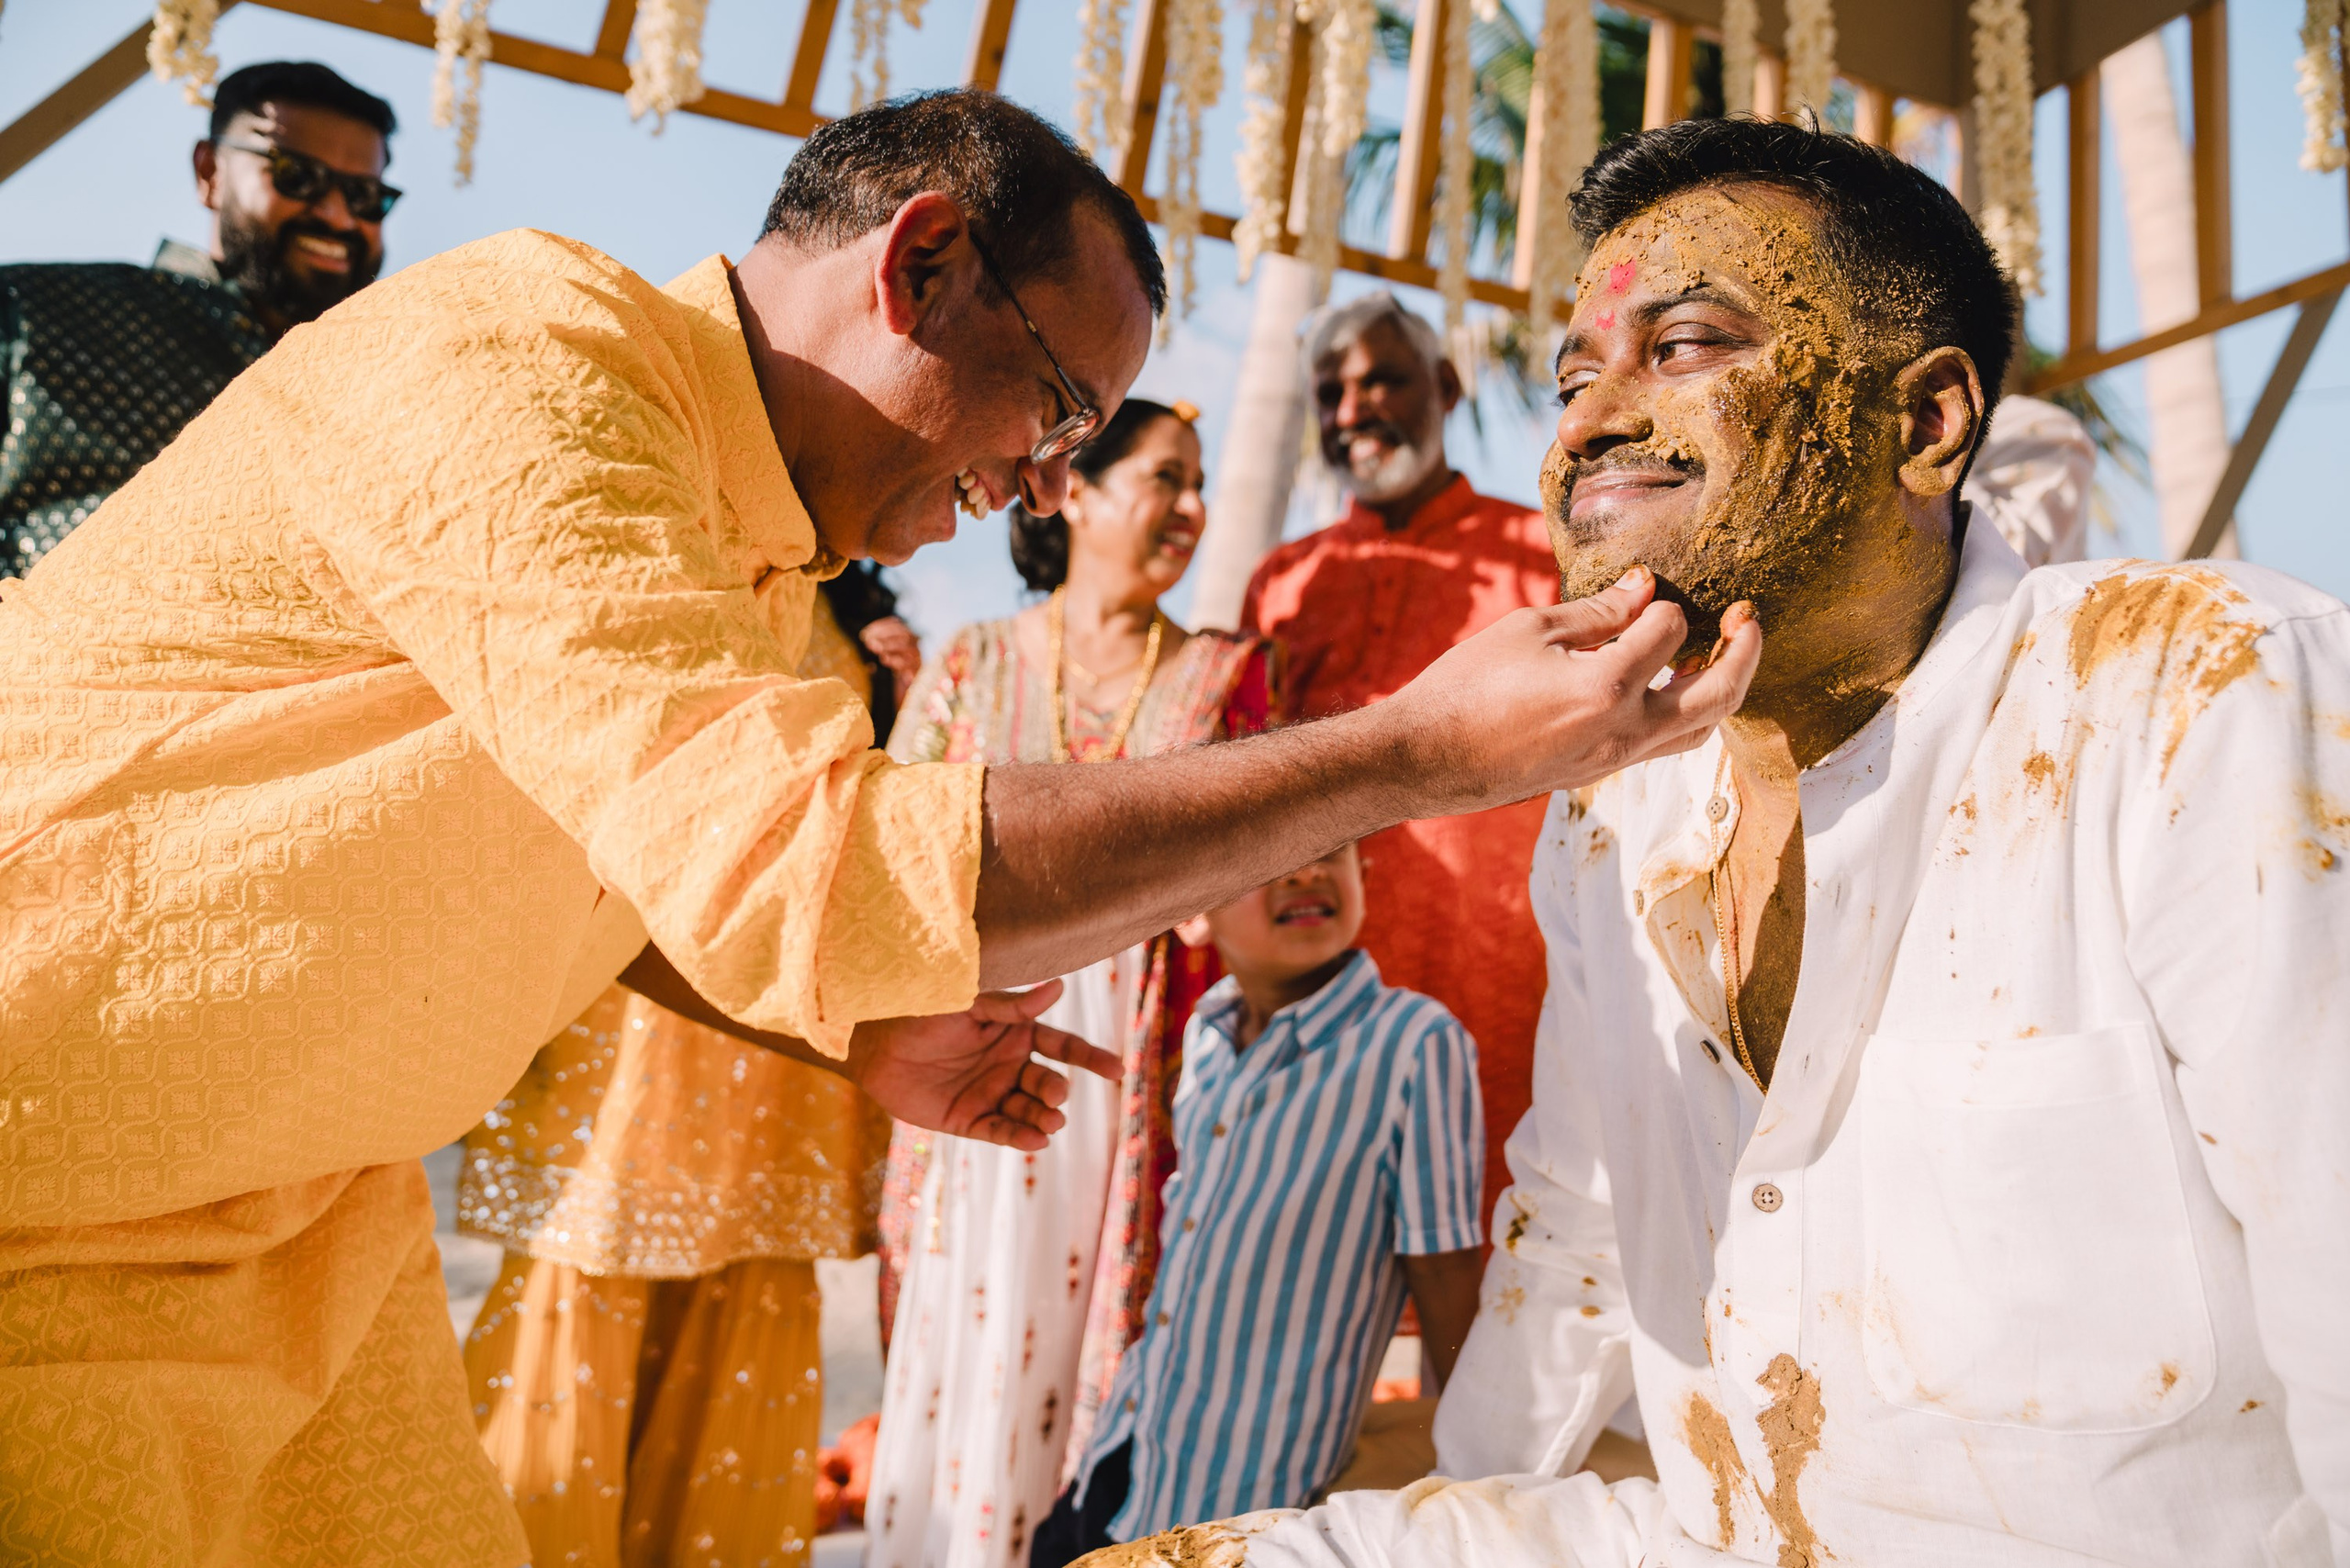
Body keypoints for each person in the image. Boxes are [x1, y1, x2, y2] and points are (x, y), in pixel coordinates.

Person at [0, 89, 1757, 1566]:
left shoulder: (770, 571)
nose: (1040, 485)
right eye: (1058, 409)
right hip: (51, 1204)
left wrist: (844, 1018)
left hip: (296, 1223)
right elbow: (819, 855)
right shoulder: (530, 361)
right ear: (920, 261)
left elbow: (617, 868)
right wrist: (1408, 751)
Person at [1076, 118, 2350, 1568]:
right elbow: (1575, 1231)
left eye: (1681, 346)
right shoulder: (1620, 803)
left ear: (1926, 422)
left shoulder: (2204, 697)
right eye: (1571, 377)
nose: (1584, 422)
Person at [867, 397, 1276, 1568]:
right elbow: (888, 860)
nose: (1191, 510)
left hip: (1133, 1076)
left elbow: (1249, 886)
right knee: (956, 1339)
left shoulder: (1225, 678)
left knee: (1099, 1377)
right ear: (1079, 492)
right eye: (1165, 478)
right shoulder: (973, 659)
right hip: (974, 1043)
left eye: (1199, 484)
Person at [453, 588, 897, 1567]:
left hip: (776, 1067)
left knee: (744, 1340)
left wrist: (897, 690)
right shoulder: (679, 559)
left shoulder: (856, 618)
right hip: (632, 1051)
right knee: (567, 1345)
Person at [1035, 841, 1483, 1567]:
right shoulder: (1208, 1031)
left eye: (1331, 852)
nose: (1307, 872)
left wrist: (1471, 1474)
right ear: (1192, 915)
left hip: (1242, 1508)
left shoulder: (1413, 1043)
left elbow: (1444, 1272)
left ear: (1364, 879)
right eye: (1272, 856)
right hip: (1126, 1457)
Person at [1241, 293, 1559, 1238]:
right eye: (1331, 388)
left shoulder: (1543, 558)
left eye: (1382, 378)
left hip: (1505, 977)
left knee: (1498, 1255)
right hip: (1320, 985)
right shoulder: (1286, 578)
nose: (1351, 408)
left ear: (1447, 387)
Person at [1, 60, 397, 573]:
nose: (338, 215)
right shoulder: (33, 307)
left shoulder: (390, 379)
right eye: (297, 176)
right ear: (210, 173)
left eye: (365, 197)